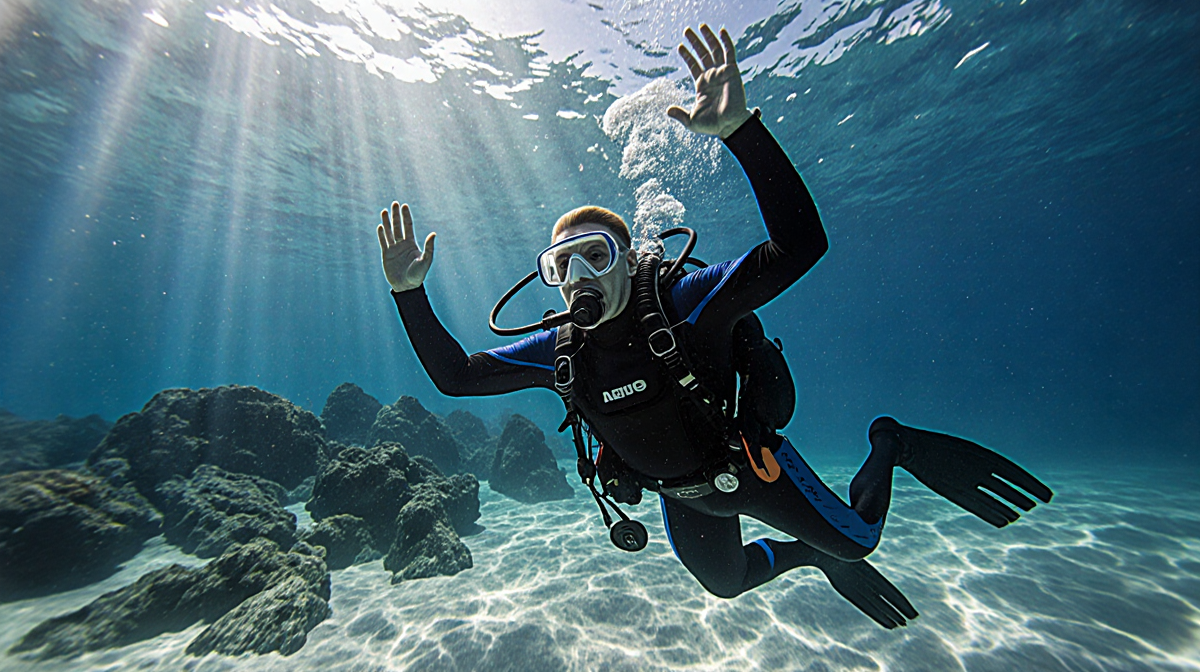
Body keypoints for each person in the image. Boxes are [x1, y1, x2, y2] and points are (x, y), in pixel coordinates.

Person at [376, 24, 1052, 629]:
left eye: (596, 256)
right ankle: (808, 557)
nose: (579, 277)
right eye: (562, 265)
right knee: (727, 584)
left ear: (629, 259)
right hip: (683, 497)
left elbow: (800, 246)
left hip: (751, 468)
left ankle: (890, 441)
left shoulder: (684, 301)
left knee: (859, 541)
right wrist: (409, 293)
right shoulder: (561, 351)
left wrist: (740, 131)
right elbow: (456, 377)